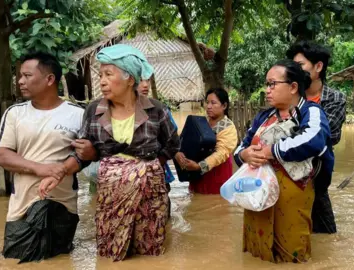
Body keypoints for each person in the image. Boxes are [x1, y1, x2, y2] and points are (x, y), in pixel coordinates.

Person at [79, 44, 180, 261]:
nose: (102, 81)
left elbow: (172, 144)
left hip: (150, 194)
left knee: (150, 250)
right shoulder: (93, 111)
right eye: (100, 75)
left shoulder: (156, 110)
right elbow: (83, 149)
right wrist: (61, 170)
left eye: (108, 74)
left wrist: (150, 167)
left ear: (130, 79)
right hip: (110, 195)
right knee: (109, 251)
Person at [0, 52, 96, 263]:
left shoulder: (78, 114)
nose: (20, 81)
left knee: (59, 260)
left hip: (62, 205)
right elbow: (2, 155)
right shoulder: (15, 113)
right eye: (20, 76)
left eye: (27, 75)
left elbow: (86, 155)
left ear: (50, 79)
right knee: (14, 260)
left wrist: (90, 152)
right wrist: (40, 169)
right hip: (21, 206)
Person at [234, 60, 334, 263]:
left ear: (293, 87)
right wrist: (244, 155)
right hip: (258, 194)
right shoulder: (263, 116)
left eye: (272, 84)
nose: (267, 90)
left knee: (291, 252)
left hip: (292, 194)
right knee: (257, 251)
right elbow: (241, 146)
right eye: (266, 84)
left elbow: (313, 140)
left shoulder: (311, 112)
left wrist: (271, 150)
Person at [286, 40, 346, 234]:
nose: (295, 70)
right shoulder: (288, 96)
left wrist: (293, 134)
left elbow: (330, 136)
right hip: (287, 172)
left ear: (318, 66)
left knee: (326, 235)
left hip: (317, 174)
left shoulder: (335, 99)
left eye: (300, 65)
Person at [175, 88, 238, 194]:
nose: (208, 106)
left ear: (224, 106)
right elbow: (185, 140)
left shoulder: (228, 128)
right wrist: (179, 153)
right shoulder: (201, 123)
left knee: (216, 202)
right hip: (196, 172)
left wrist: (200, 166)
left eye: (213, 103)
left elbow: (221, 153)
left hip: (217, 173)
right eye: (207, 102)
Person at [138, 78, 177, 219]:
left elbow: (173, 140)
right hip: (128, 182)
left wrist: (157, 163)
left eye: (147, 80)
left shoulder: (159, 109)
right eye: (140, 80)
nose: (145, 85)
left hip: (157, 173)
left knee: (160, 224)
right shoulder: (112, 111)